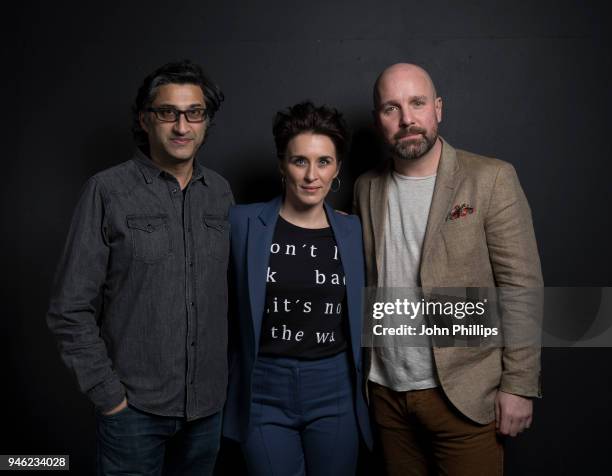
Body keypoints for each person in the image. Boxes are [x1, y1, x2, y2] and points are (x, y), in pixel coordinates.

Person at [353, 63, 543, 475]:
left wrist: (519, 385)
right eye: (391, 108)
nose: (407, 119)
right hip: (386, 395)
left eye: (417, 103)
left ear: (437, 108)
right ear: (378, 121)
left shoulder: (491, 178)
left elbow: (521, 286)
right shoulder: (365, 187)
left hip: (465, 395)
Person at [46, 60, 233, 475]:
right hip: (134, 413)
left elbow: (231, 297)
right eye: (168, 112)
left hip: (207, 411)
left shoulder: (220, 193)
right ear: (145, 119)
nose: (182, 126)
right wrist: (109, 396)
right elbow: (68, 308)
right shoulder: (107, 191)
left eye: (194, 113)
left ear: (206, 121)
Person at [223, 101, 372, 475]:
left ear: (337, 167)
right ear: (281, 164)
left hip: (334, 387)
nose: (311, 175)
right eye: (299, 160)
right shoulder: (242, 223)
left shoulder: (354, 231)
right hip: (263, 389)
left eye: (323, 162)